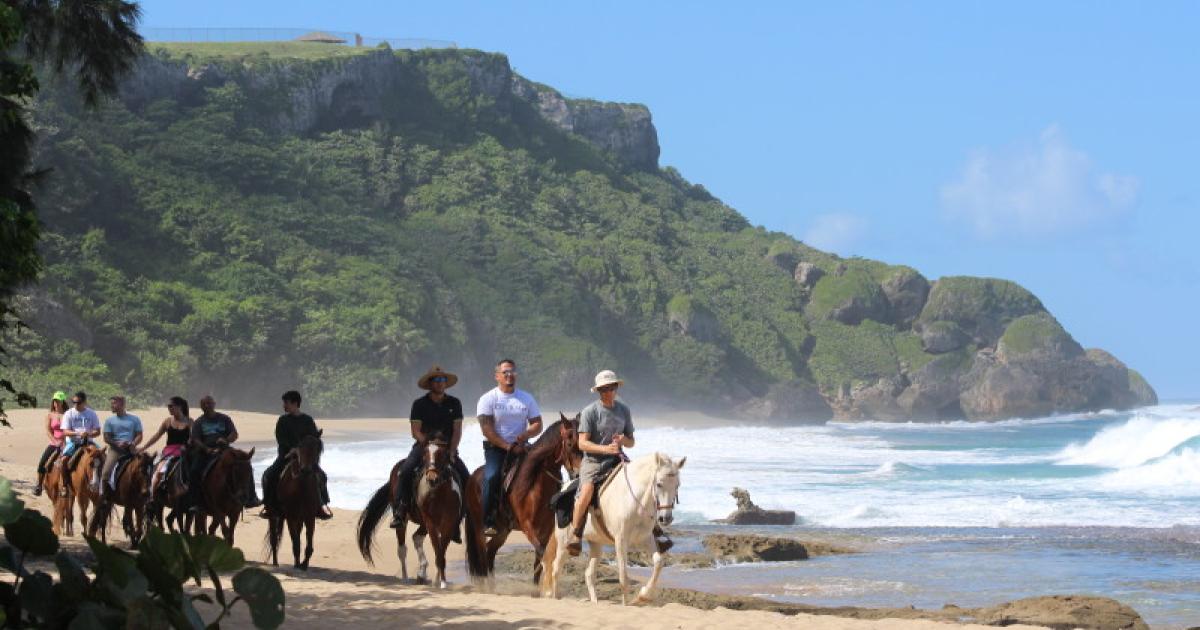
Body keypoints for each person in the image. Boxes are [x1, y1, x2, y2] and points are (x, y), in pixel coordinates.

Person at [565, 370, 672, 556]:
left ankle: (655, 530)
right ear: (599, 391)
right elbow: (582, 443)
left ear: (616, 388)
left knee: (645, 488)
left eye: (612, 388)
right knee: (586, 492)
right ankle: (576, 534)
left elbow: (631, 442)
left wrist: (623, 441)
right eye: (605, 389)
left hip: (617, 459)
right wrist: (605, 449)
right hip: (593, 461)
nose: (609, 392)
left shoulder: (624, 410)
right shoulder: (590, 412)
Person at [390, 366, 471, 537]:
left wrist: (452, 450)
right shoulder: (419, 404)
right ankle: (400, 511)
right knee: (404, 472)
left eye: (442, 380)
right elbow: (415, 431)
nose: (440, 383)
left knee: (466, 478)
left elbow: (457, 430)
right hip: (423, 447)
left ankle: (461, 518)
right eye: (436, 380)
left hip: (447, 448)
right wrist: (427, 444)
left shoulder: (454, 403)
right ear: (430, 383)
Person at [476, 358, 543, 536]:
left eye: (512, 372)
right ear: (497, 376)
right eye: (505, 372)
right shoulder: (488, 398)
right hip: (496, 449)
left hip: (522, 447)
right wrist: (507, 446)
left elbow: (537, 423)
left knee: (546, 471)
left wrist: (526, 435)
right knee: (491, 477)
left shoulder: (526, 398)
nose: (509, 375)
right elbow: (487, 429)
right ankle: (487, 520)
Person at [260, 390, 332, 520]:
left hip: (305, 458)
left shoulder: (308, 420)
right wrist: (292, 449)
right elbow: (280, 438)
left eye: (286, 403)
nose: (284, 406)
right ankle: (268, 506)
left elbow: (313, 438)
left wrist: (301, 449)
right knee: (268, 475)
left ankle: (322, 505)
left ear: (295, 403)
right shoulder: (282, 420)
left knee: (322, 476)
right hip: (286, 456)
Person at [186, 395, 261, 512]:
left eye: (209, 403)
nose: (207, 406)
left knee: (245, 464)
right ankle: (196, 502)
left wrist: (226, 440)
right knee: (194, 471)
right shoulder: (199, 422)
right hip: (205, 451)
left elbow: (234, 434)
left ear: (214, 404)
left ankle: (251, 497)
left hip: (225, 449)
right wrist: (207, 449)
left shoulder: (224, 419)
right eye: (204, 404)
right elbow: (196, 439)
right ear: (201, 406)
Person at [138, 397, 192, 496]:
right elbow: (157, 436)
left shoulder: (189, 421)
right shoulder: (167, 421)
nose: (169, 408)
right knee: (158, 471)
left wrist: (187, 445)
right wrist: (144, 448)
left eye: (171, 406)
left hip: (184, 451)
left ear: (179, 406)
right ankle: (152, 497)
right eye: (168, 406)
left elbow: (192, 437)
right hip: (169, 452)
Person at [99, 395, 143, 498]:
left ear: (122, 404)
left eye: (114, 403)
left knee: (146, 466)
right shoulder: (109, 421)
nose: (112, 405)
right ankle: (104, 497)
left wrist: (133, 443)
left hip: (131, 449)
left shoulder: (134, 419)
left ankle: (148, 496)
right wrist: (117, 443)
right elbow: (106, 437)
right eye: (112, 403)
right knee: (106, 472)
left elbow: (139, 435)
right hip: (115, 450)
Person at [33, 391, 68, 496]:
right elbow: (48, 431)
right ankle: (39, 485)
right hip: (54, 443)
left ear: (63, 402)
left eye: (58, 401)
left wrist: (65, 441)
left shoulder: (68, 414)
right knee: (42, 462)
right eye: (54, 401)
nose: (56, 403)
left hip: (67, 443)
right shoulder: (50, 415)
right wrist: (55, 441)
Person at [61, 391, 101, 477]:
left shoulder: (92, 414)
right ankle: (64, 483)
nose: (75, 404)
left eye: (78, 403)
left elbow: (98, 431)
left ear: (84, 402)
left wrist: (88, 434)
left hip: (89, 443)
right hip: (73, 443)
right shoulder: (69, 413)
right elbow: (65, 431)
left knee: (103, 457)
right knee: (63, 460)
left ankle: (104, 485)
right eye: (73, 402)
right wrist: (77, 433)